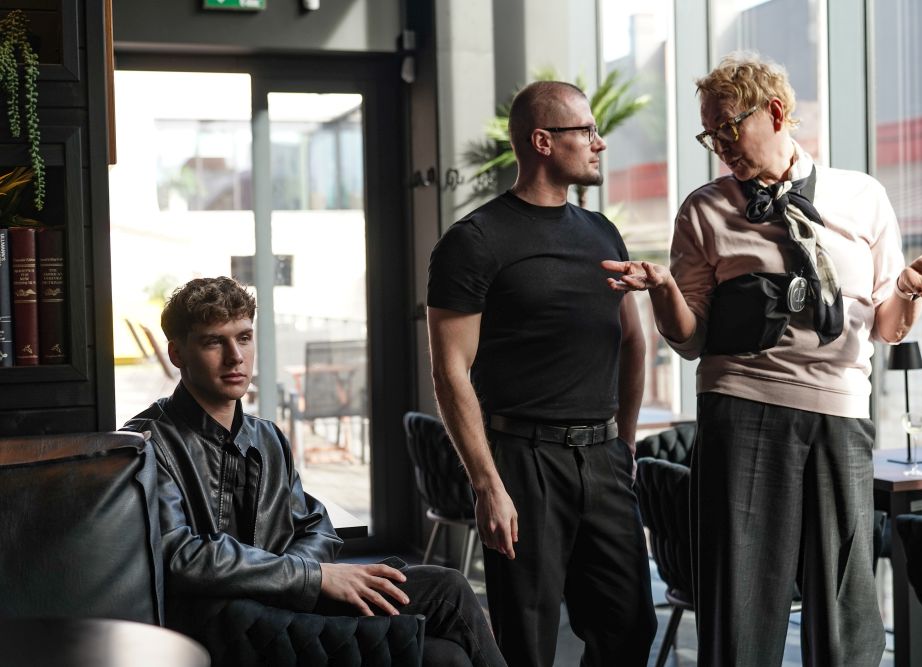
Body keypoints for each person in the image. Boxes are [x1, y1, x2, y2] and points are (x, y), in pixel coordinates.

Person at [602, 51, 922, 666]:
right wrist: (664, 290)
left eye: (728, 125)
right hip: (740, 407)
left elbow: (886, 326)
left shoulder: (862, 197)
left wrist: (909, 288)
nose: (720, 143)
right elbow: (691, 340)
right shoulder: (704, 209)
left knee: (844, 606)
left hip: (840, 413)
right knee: (741, 607)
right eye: (709, 133)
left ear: (775, 112)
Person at [124, 276, 506, 667]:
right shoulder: (146, 443)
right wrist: (313, 577)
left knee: (448, 587)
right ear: (177, 353)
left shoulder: (266, 437)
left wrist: (299, 579)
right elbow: (181, 556)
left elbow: (315, 525)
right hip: (227, 626)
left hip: (285, 600)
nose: (235, 356)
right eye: (213, 342)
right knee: (445, 657)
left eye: (244, 338)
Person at [426, 80, 656, 667]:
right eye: (587, 131)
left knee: (629, 627)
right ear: (543, 141)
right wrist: (488, 485)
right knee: (526, 641)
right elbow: (450, 371)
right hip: (523, 462)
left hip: (603, 458)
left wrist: (625, 444)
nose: (600, 143)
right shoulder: (473, 242)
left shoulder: (602, 231)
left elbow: (633, 340)